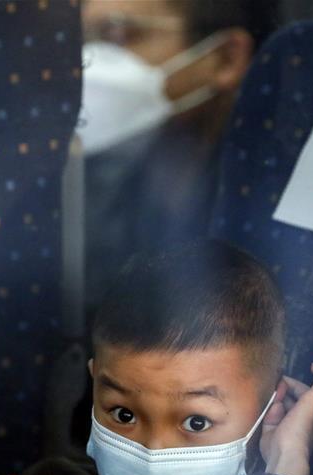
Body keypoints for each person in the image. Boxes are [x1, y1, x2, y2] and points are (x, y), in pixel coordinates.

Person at [30, 240, 313, 475]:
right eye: (123, 415)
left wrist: (286, 464)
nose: (153, 452)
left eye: (196, 422)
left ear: (272, 404)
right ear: (94, 383)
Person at [79, 0, 279, 312]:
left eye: (117, 36)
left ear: (226, 58)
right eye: (83, 40)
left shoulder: (274, 199)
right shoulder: (93, 181)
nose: (89, 64)